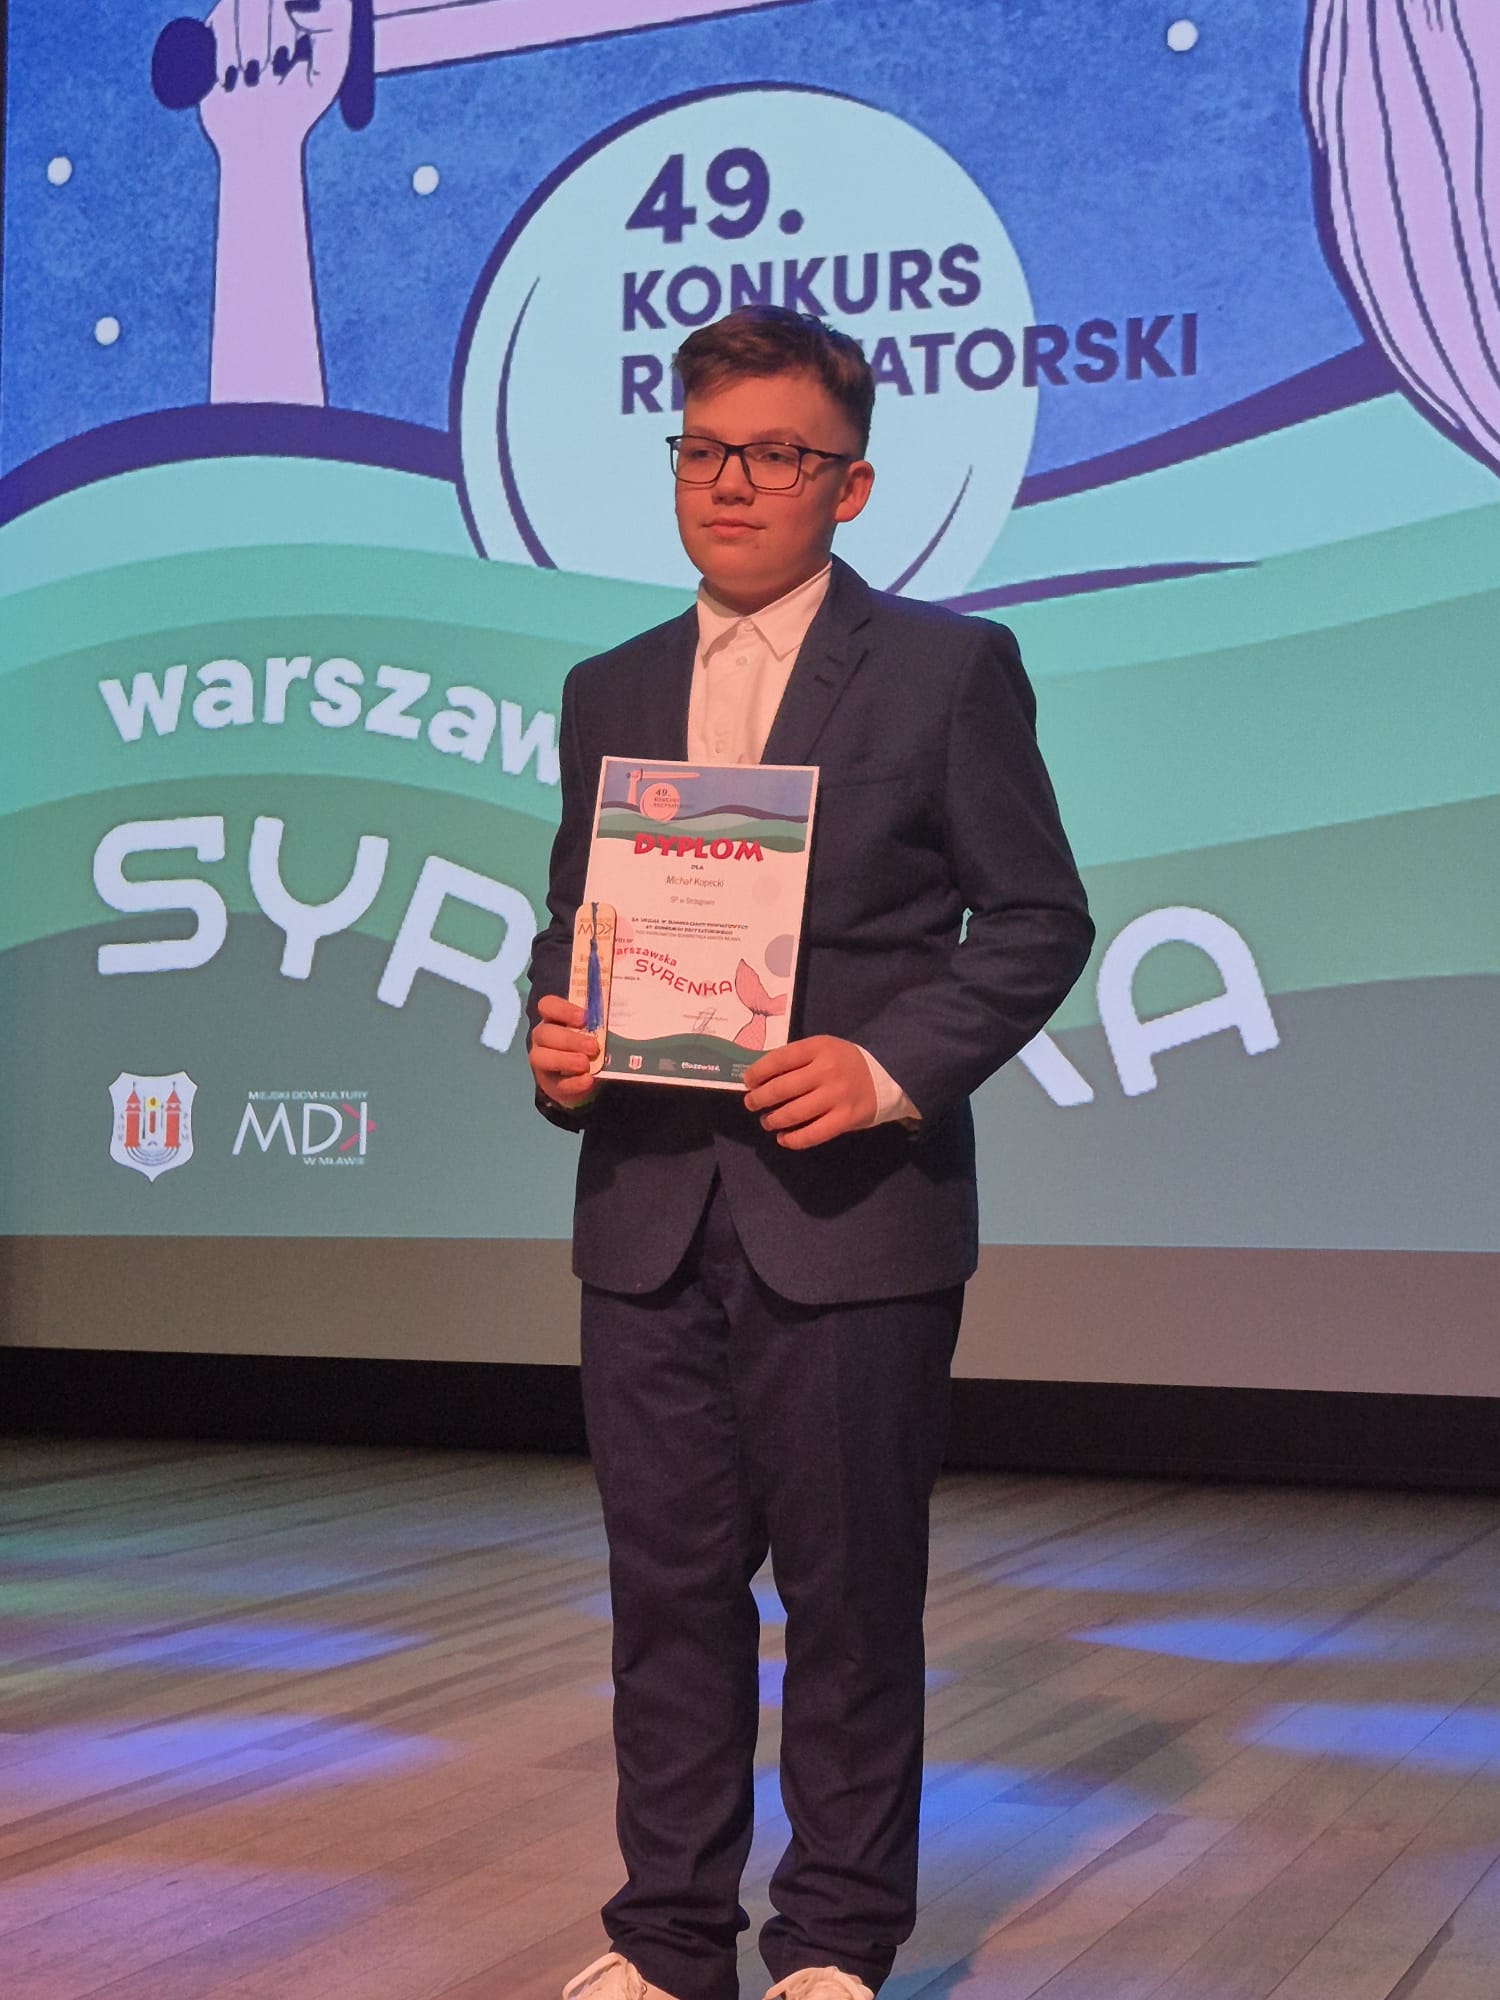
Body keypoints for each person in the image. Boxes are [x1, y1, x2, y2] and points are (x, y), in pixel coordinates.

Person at [526, 306, 1093, 2000]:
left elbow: (1038, 919)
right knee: (666, 1600)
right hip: (645, 1211)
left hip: (851, 1216)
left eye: (775, 455)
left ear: (850, 486)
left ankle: (835, 1944)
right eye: (704, 449)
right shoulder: (610, 687)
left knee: (850, 1605)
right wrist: (558, 1040)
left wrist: (885, 1065)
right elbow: (575, 925)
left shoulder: (945, 671)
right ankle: (667, 1940)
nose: (731, 484)